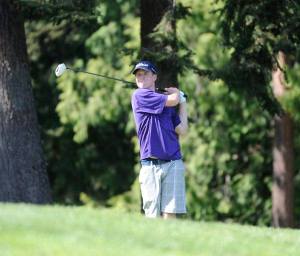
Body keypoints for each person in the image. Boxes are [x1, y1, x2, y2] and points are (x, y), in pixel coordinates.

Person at [131, 60, 188, 219]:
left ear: (154, 76)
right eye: (138, 75)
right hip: (150, 165)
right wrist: (176, 93)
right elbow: (173, 99)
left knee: (170, 213)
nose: (140, 77)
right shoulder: (139, 95)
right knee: (152, 215)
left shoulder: (167, 105)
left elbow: (182, 130)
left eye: (145, 73)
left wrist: (183, 103)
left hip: (173, 163)